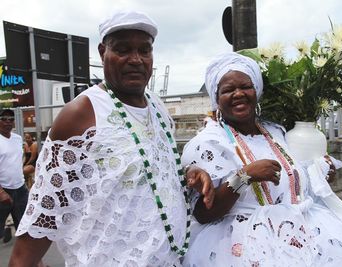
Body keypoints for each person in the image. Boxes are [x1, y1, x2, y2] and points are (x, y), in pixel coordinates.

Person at [9, 10, 214, 267]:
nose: (136, 59)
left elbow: (149, 173)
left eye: (145, 50)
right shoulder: (81, 115)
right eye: (123, 49)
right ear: (102, 51)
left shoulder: (158, 107)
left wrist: (189, 173)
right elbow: (44, 217)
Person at [181, 52, 342, 266]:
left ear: (256, 91)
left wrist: (319, 174)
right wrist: (244, 176)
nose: (239, 93)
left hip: (303, 237)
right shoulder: (208, 143)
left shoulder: (275, 131)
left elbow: (294, 186)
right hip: (242, 247)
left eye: (245, 87)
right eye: (228, 90)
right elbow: (203, 213)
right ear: (217, 98)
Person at [0, 107, 29, 244]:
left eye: (11, 119)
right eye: (3, 119)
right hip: (3, 191)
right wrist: (1, 192)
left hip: (20, 190)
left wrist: (23, 171)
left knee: (25, 230)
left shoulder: (17, 139)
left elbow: (14, 163)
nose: (8, 122)